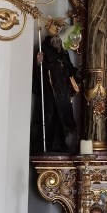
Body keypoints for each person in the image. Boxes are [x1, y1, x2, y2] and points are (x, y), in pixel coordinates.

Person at [32, 22, 81, 154]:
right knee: (50, 114)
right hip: (50, 89)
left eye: (59, 38)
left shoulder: (63, 52)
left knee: (62, 117)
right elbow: (40, 70)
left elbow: (69, 68)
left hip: (63, 91)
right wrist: (38, 63)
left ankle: (59, 144)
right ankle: (46, 145)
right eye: (56, 37)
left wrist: (77, 74)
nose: (58, 40)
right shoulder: (44, 48)